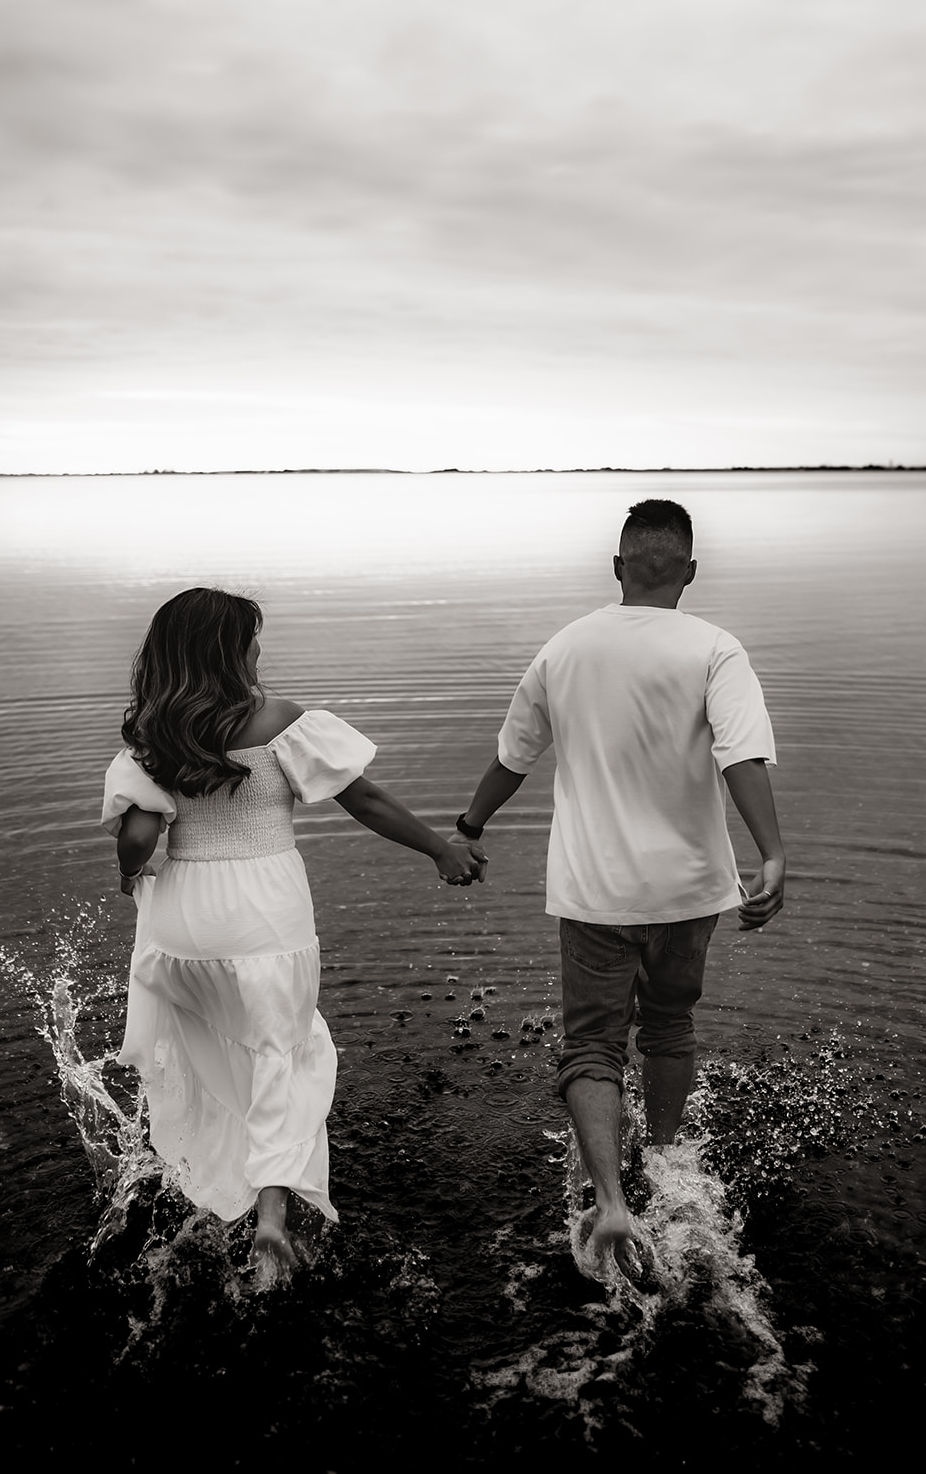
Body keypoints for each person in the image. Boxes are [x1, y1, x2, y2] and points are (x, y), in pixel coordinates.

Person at [102, 586, 487, 1280]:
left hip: (181, 925)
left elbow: (137, 835)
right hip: (263, 918)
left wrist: (132, 875)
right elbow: (363, 798)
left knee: (206, 1052)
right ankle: (272, 1215)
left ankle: (201, 1188)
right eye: (251, 638)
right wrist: (439, 849)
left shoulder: (150, 739)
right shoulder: (282, 723)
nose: (258, 650)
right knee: (285, 1050)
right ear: (229, 651)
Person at [450, 499, 784, 1278]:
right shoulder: (714, 648)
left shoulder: (564, 648)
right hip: (691, 889)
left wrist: (467, 827)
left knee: (592, 1045)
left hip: (595, 891)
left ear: (617, 567)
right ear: (690, 572)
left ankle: (608, 1202)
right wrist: (771, 854)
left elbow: (513, 759)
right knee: (668, 1027)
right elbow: (742, 757)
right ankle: (667, 1165)